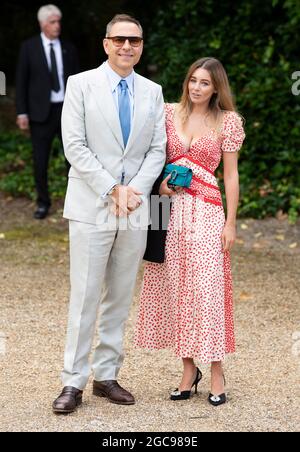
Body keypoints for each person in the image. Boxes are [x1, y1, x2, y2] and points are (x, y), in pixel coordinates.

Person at [52, 14, 166, 414]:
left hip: (135, 207)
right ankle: (72, 381)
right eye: (119, 40)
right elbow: (74, 144)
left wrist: (134, 192)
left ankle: (106, 376)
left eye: (134, 40)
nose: (126, 47)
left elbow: (157, 149)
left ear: (141, 45)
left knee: (119, 296)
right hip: (91, 204)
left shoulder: (153, 91)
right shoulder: (80, 84)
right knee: (84, 296)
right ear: (105, 44)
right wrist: (111, 189)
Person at [135, 57, 245, 406]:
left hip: (207, 211)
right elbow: (147, 155)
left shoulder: (229, 122)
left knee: (206, 290)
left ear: (216, 88)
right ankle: (187, 369)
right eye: (193, 80)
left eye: (205, 83)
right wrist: (159, 186)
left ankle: (216, 371)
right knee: (173, 287)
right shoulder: (167, 112)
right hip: (165, 210)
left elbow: (230, 175)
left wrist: (231, 222)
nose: (196, 87)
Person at [16, 4, 79, 219]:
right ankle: (43, 203)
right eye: (53, 22)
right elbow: (21, 81)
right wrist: (21, 112)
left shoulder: (69, 48)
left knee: (73, 159)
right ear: (43, 24)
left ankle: (76, 202)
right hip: (40, 113)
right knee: (40, 160)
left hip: (67, 111)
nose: (57, 25)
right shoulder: (29, 47)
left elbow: (78, 82)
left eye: (58, 21)